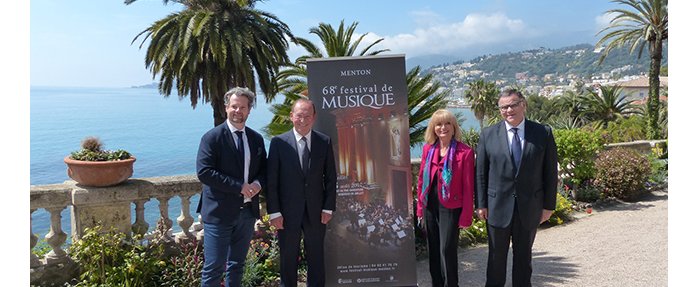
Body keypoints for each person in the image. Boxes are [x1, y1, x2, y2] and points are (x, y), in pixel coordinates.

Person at [475, 89, 558, 287]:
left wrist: (548, 206)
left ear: (523, 105)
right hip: (496, 207)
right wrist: (481, 204)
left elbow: (550, 173)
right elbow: (481, 173)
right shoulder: (488, 134)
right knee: (495, 260)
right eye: (504, 107)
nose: (508, 110)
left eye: (513, 105)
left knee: (523, 260)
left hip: (529, 208)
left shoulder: (542, 133)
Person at [196, 87, 267, 287]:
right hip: (219, 214)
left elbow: (264, 170)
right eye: (234, 106)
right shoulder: (212, 138)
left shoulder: (256, 139)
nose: (238, 111)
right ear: (226, 107)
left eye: (242, 107)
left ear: (249, 110)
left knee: (237, 265)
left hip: (246, 214)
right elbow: (204, 172)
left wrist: (257, 184)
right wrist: (239, 187)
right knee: (214, 267)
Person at [266, 98, 337, 287]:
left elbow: (331, 178)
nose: (303, 120)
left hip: (316, 212)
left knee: (316, 257)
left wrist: (328, 208)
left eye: (307, 116)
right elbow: (271, 181)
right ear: (291, 117)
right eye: (299, 115)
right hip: (287, 213)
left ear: (313, 118)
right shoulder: (278, 143)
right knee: (288, 258)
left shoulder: (324, 141)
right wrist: (274, 212)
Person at [416, 109, 475, 287]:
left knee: (447, 250)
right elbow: (421, 181)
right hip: (429, 206)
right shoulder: (428, 149)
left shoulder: (464, 152)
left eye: (447, 123)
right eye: (439, 124)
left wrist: (466, 216)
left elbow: (468, 186)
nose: (443, 127)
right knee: (433, 250)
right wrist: (420, 209)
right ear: (433, 128)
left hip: (451, 207)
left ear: (453, 126)